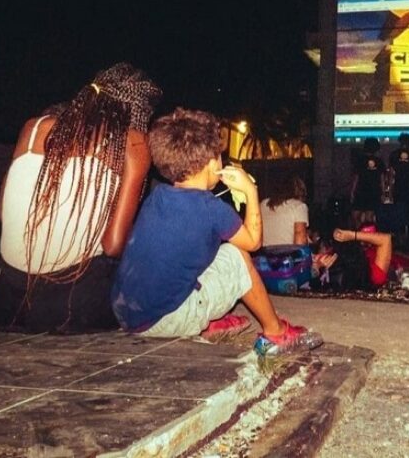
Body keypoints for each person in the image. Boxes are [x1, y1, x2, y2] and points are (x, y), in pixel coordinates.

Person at [111, 108, 323, 357]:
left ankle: (208, 324)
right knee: (237, 256)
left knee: (202, 254)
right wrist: (250, 192)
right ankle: (275, 333)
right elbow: (253, 243)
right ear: (212, 163)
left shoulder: (157, 196)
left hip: (128, 316)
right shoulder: (211, 208)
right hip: (164, 322)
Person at [0, 63, 162, 333]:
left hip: (4, 305)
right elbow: (113, 245)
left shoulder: (33, 127)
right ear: (139, 110)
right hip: (73, 308)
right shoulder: (133, 142)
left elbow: (2, 213)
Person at [387, 132, 409, 248]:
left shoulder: (393, 155)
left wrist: (390, 191)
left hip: (398, 189)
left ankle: (400, 243)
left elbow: (391, 175)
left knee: (399, 216)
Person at [260, 175, 309, 246]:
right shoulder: (299, 206)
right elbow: (300, 239)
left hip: (265, 254)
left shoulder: (264, 204)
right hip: (287, 255)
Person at [350, 137, 386, 228]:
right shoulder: (379, 162)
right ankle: (369, 237)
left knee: (357, 216)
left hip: (361, 191)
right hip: (374, 192)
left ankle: (359, 237)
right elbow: (382, 179)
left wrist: (352, 192)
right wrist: (383, 193)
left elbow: (356, 178)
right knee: (370, 217)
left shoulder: (359, 160)